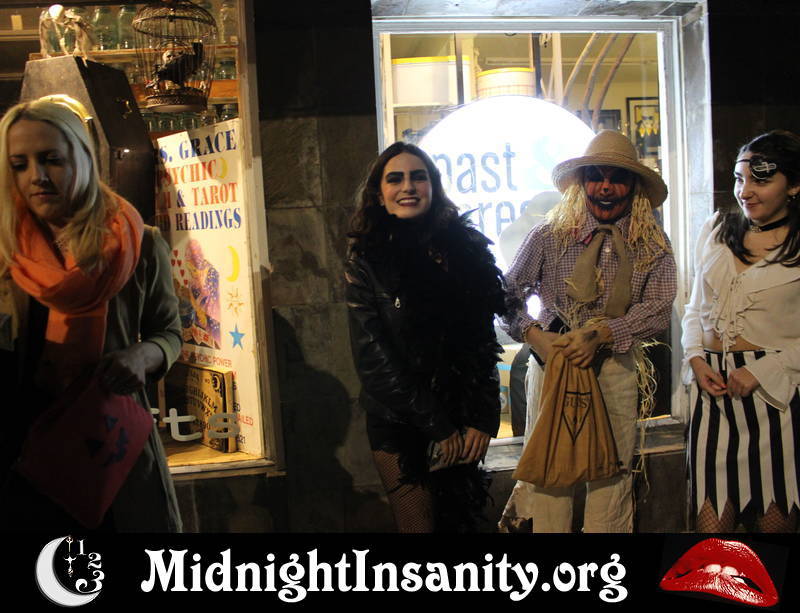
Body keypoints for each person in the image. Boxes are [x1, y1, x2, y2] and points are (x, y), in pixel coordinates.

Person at [0, 95, 182, 532]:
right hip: (23, 451)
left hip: (108, 445)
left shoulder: (139, 244)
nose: (37, 176)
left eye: (51, 159)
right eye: (20, 164)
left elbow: (169, 333)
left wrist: (142, 355)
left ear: (81, 156)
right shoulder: (7, 249)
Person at [499, 130, 676, 533]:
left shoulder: (650, 243)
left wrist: (605, 333)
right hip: (554, 365)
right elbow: (505, 293)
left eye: (617, 178)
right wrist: (534, 335)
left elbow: (658, 308)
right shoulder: (549, 234)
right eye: (596, 176)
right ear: (582, 182)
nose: (605, 187)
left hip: (614, 367)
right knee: (550, 471)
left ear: (634, 186)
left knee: (613, 473)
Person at [345, 142, 505, 532]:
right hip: (401, 421)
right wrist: (437, 425)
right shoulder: (367, 262)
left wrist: (484, 417)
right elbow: (374, 361)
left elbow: (483, 342)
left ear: (433, 186)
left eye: (418, 177)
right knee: (419, 529)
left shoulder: (464, 251)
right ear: (379, 194)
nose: (408, 187)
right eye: (395, 179)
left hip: (461, 416)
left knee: (460, 524)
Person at [682, 130, 800, 533]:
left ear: (794, 184)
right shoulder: (717, 228)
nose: (745, 191)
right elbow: (694, 308)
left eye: (760, 180)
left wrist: (763, 371)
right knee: (710, 535)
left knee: (773, 528)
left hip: (775, 400)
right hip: (712, 397)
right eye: (738, 179)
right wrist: (695, 359)